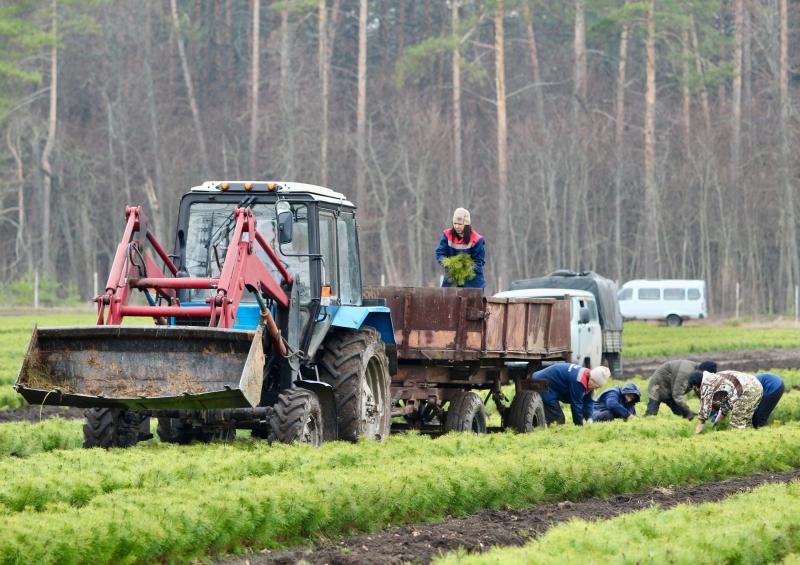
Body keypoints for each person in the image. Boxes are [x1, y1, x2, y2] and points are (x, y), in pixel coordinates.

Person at [530, 363, 611, 426]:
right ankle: (552, 440)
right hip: (542, 383)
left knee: (557, 418)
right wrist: (579, 425)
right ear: (592, 380)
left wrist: (589, 417)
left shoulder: (589, 376)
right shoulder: (579, 381)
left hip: (553, 386)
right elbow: (576, 405)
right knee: (558, 420)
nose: (595, 389)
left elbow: (588, 401)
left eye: (598, 387)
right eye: (596, 386)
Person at [687, 369, 763, 433]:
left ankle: (740, 447)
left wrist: (697, 432)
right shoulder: (715, 379)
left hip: (747, 389)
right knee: (746, 421)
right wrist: (716, 424)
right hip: (755, 386)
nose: (697, 390)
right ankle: (751, 439)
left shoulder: (707, 384)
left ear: (696, 384)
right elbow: (725, 404)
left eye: (695, 388)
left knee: (736, 424)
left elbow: (704, 410)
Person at [645, 359, 717, 419]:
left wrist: (710, 407)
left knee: (682, 414)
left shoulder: (698, 373)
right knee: (651, 413)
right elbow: (677, 395)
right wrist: (688, 410)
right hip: (658, 385)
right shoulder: (686, 373)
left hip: (672, 387)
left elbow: (701, 392)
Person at [435, 207, 486, 290]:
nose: (456, 226)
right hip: (452, 277)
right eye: (454, 223)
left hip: (472, 281)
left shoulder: (477, 239)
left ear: (466, 224)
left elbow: (479, 262)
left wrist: (465, 268)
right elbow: (440, 253)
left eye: (459, 224)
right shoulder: (447, 235)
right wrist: (449, 264)